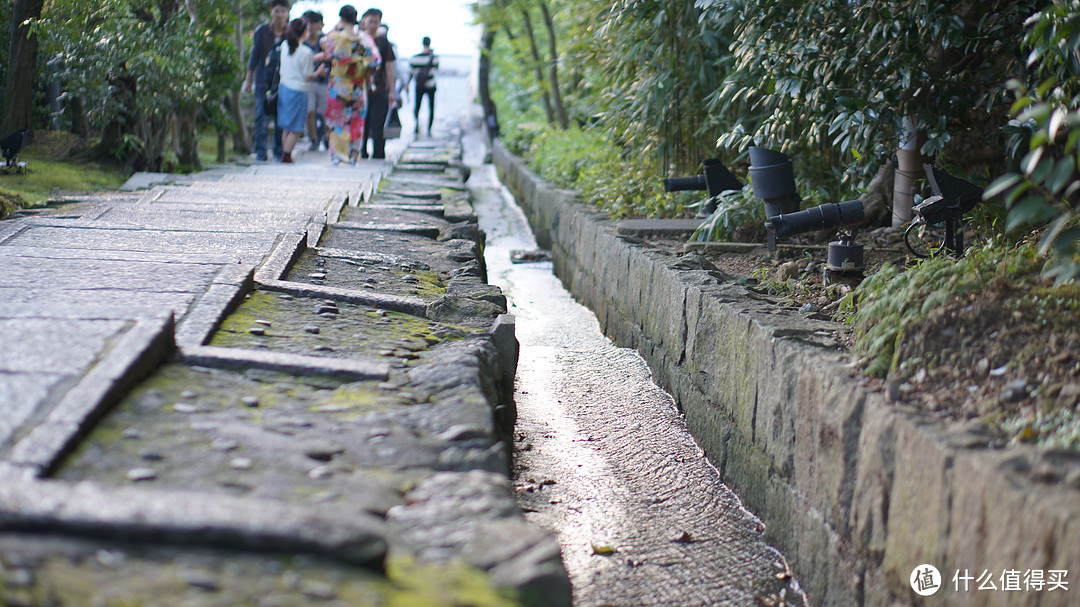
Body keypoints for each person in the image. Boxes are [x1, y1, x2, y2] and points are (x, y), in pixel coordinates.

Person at [322, 5, 380, 165]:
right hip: (357, 85)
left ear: (341, 18)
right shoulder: (365, 39)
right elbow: (376, 61)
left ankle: (337, 155)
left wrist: (336, 28)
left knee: (336, 121)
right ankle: (353, 155)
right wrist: (364, 69)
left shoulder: (334, 37)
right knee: (357, 121)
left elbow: (325, 48)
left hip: (338, 85)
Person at [242, 0, 290, 162]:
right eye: (277, 11)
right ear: (271, 12)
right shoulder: (262, 31)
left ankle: (278, 152)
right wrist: (248, 80)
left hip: (284, 83)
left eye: (283, 11)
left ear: (288, 13)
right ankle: (260, 153)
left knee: (280, 119)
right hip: (262, 81)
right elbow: (254, 56)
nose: (280, 15)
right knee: (261, 117)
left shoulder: (290, 32)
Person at [277, 18, 327, 163]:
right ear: (305, 32)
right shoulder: (306, 52)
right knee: (297, 127)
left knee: (287, 126)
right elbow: (307, 77)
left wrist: (315, 57)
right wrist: (319, 72)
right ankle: (286, 155)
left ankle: (285, 153)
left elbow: (297, 60)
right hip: (298, 91)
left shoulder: (285, 45)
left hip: (284, 88)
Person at [358, 9, 395, 159]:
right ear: (364, 21)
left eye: (376, 22)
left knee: (378, 124)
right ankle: (361, 152)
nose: (373, 25)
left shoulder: (384, 42)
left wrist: (392, 90)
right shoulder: (358, 40)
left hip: (380, 89)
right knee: (362, 123)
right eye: (370, 21)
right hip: (360, 89)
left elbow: (389, 68)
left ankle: (379, 153)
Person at [302, 11, 330, 152]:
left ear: (320, 24)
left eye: (314, 22)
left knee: (325, 112)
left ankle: (327, 138)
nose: (311, 26)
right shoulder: (303, 42)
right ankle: (313, 139)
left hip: (324, 81)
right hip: (308, 82)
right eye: (309, 22)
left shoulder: (325, 40)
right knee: (310, 112)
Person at [408, 36, 438, 135]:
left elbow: (411, 73)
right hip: (430, 85)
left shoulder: (415, 58)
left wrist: (407, 84)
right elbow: (434, 72)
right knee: (431, 107)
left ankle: (417, 124)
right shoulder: (433, 58)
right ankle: (429, 128)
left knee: (417, 106)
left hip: (419, 85)